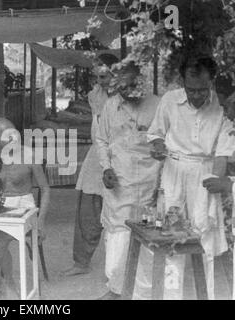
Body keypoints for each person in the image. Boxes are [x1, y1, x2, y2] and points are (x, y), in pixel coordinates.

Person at [143, 55, 233, 300]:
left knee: (204, 234)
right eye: (190, 90)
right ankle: (172, 296)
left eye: (202, 90)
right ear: (182, 82)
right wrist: (159, 148)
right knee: (171, 234)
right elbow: (156, 134)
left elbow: (223, 152)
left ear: (211, 82)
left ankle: (207, 295)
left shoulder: (222, 106)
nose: (196, 96)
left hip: (205, 171)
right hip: (173, 169)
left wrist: (217, 181)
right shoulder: (170, 100)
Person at [96, 62, 162, 300]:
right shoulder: (110, 106)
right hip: (119, 184)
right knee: (118, 237)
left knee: (148, 239)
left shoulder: (158, 105)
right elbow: (102, 141)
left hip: (150, 184)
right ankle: (116, 290)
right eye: (123, 86)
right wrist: (106, 168)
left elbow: (167, 143)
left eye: (133, 84)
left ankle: (143, 295)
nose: (129, 90)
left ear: (141, 81)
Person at [0, 117, 50, 299]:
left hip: (24, 207)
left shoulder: (29, 155)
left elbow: (45, 190)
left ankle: (9, 283)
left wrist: (41, 221)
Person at [64, 64, 113, 277]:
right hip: (96, 159)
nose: (101, 81)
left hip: (120, 157)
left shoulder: (130, 97)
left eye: (104, 76)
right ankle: (81, 262)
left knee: (121, 217)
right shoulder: (95, 95)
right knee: (88, 213)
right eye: (98, 77)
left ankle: (119, 270)